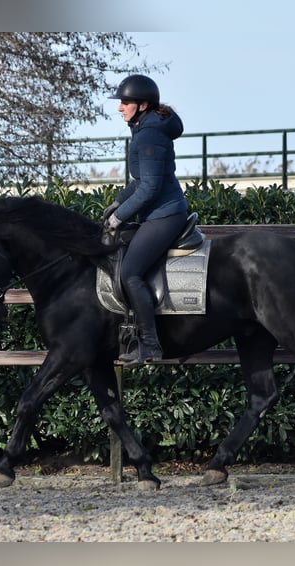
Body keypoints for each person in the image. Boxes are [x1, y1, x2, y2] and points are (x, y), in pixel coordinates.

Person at [103, 74, 188, 365]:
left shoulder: (150, 134)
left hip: (164, 215)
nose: (120, 108)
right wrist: (118, 202)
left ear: (142, 105)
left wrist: (119, 217)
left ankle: (150, 345)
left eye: (125, 102)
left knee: (130, 273)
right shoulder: (145, 128)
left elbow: (150, 188)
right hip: (156, 213)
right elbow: (140, 181)